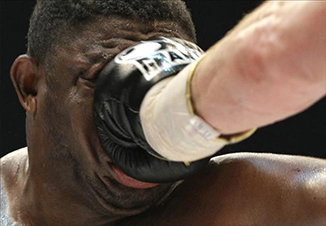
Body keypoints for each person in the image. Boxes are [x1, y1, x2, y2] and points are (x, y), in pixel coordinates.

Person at [1, 1, 325, 225]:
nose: (141, 133)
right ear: (30, 86)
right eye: (103, 80)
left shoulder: (236, 201)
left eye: (167, 88)